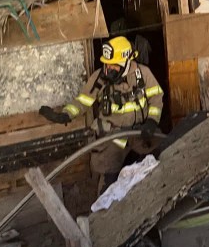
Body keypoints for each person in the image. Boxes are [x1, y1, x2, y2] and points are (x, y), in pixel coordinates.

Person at [39, 36, 165, 190]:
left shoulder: (143, 74)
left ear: (126, 63)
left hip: (140, 132)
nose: (108, 70)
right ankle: (105, 207)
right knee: (107, 176)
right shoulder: (100, 78)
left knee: (160, 158)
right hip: (112, 136)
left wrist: (152, 121)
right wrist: (65, 114)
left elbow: (157, 97)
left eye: (113, 66)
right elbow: (83, 100)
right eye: (106, 65)